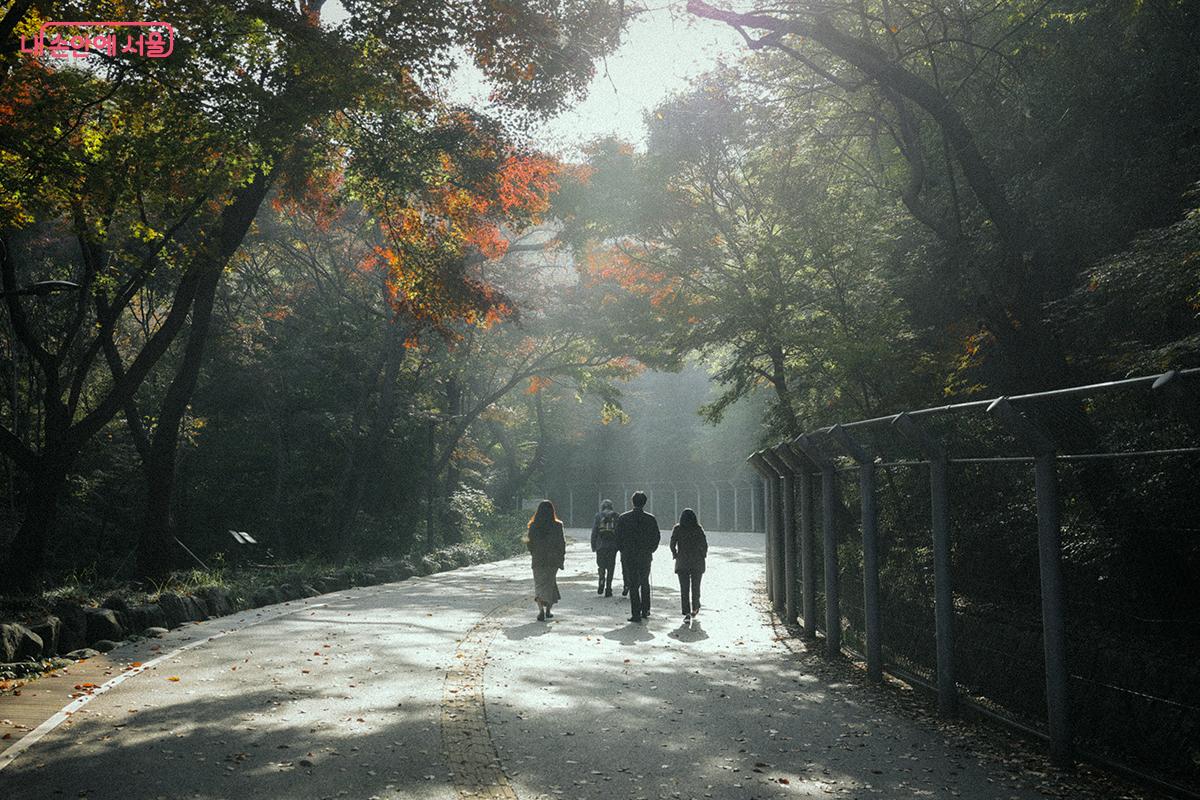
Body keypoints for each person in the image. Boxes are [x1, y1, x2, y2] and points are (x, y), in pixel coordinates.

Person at [615, 490, 660, 623]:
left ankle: (636, 613)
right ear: (645, 502)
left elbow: (617, 536)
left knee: (633, 584)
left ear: (632, 501)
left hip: (629, 554)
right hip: (645, 554)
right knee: (645, 581)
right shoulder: (650, 519)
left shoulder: (623, 518)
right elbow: (656, 537)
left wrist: (622, 549)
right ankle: (645, 609)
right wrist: (651, 549)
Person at [527, 499, 566, 621]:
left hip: (538, 559)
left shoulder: (533, 525)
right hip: (553, 560)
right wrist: (561, 556)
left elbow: (529, 543)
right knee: (550, 584)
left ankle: (541, 611)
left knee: (539, 585)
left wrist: (533, 552)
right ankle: (548, 610)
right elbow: (562, 543)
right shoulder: (558, 525)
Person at [670, 508, 708, 621]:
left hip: (682, 561)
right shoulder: (698, 529)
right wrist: (703, 555)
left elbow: (672, 544)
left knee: (684, 588)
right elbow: (704, 544)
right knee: (696, 587)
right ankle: (695, 607)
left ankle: (686, 612)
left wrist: (675, 554)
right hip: (696, 561)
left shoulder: (677, 528)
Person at [591, 498, 620, 596]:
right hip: (612, 546)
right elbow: (619, 532)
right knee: (611, 567)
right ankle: (608, 588)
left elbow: (595, 531)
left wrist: (593, 545)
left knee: (601, 566)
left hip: (600, 545)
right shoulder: (616, 516)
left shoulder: (598, 516)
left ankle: (601, 580)